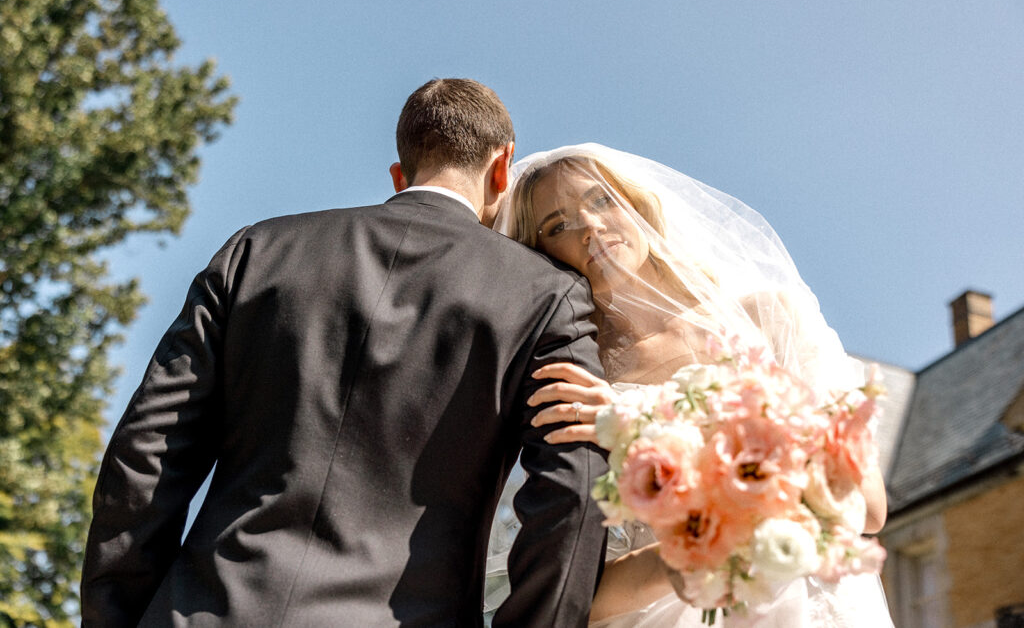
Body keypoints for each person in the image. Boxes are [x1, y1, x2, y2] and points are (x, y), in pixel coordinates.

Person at [81, 80, 609, 627]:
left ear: (399, 176)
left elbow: (145, 454)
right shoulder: (547, 296)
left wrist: (116, 618)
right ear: (502, 169)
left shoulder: (257, 251)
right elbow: (574, 488)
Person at [487, 143, 893, 627]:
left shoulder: (767, 317)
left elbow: (867, 507)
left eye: (601, 201)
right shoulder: (580, 381)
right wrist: (690, 557)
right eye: (558, 225)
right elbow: (569, 596)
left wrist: (639, 424)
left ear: (637, 205)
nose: (590, 227)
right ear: (542, 254)